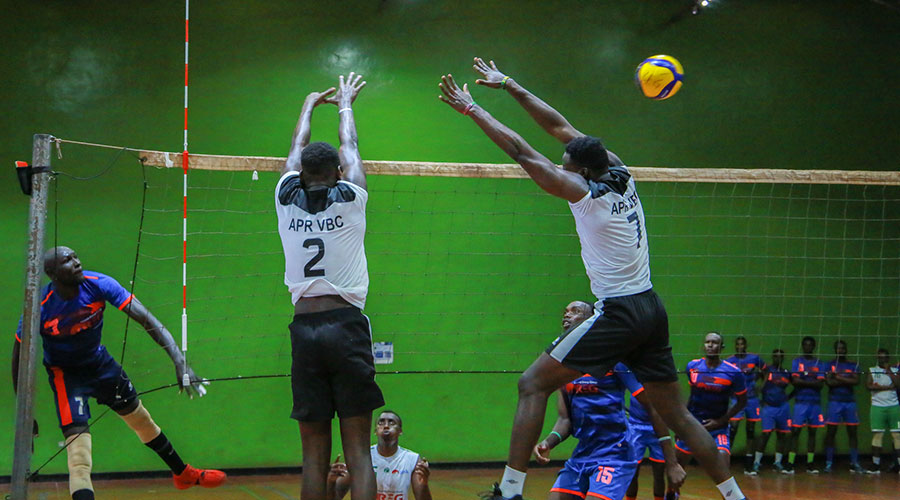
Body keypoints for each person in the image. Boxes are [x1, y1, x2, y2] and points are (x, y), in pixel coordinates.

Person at [438, 58, 748, 500]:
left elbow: (523, 152)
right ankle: (737, 497)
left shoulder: (584, 196)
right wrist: (509, 83)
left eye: (566, 165)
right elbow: (561, 127)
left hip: (619, 311)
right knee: (679, 416)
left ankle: (509, 490)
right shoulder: (619, 171)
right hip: (650, 307)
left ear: (580, 171)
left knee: (532, 384)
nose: (562, 166)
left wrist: (473, 108)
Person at [11, 246, 224, 500]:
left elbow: (148, 320)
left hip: (101, 365)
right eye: (68, 260)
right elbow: (18, 359)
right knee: (79, 458)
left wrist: (180, 361)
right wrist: (25, 412)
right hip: (66, 377)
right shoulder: (39, 308)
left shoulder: (99, 284)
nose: (77, 262)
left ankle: (183, 474)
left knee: (142, 421)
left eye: (76, 256)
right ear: (52, 273)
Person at [275, 73, 384, 500]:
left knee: (314, 454)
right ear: (337, 173)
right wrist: (345, 104)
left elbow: (294, 151)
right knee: (358, 450)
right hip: (347, 328)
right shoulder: (352, 195)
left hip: (304, 331)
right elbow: (351, 147)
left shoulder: (285, 194)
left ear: (301, 174)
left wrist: (307, 105)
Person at [532, 301, 684, 500]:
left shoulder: (614, 361)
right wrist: (548, 443)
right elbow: (565, 420)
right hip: (583, 453)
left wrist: (671, 463)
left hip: (615, 453)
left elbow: (653, 408)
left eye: (575, 311)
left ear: (591, 321)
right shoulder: (562, 367)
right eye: (565, 311)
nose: (566, 316)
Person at [675, 333, 748, 470]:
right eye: (707, 342)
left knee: (723, 464)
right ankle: (672, 492)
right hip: (693, 424)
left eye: (714, 342)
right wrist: (682, 425)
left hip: (717, 427)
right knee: (677, 466)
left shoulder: (733, 372)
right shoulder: (693, 366)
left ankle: (727, 491)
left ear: (721, 348)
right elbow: (692, 396)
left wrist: (721, 421)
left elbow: (742, 401)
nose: (710, 345)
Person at [327, 410, 432, 500]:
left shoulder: (412, 459)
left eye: (391, 423)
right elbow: (336, 496)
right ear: (375, 431)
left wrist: (424, 485)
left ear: (400, 431)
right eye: (381, 422)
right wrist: (330, 482)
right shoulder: (362, 457)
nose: (386, 426)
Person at [725, 336, 765, 475]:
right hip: (736, 399)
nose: (740, 346)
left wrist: (761, 386)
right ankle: (726, 460)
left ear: (745, 345)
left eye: (742, 344)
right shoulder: (730, 361)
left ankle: (749, 464)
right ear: (735, 346)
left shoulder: (754, 358)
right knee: (733, 429)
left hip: (752, 399)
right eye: (738, 344)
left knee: (750, 430)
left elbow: (766, 371)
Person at [823, 340, 863, 473]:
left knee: (852, 432)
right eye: (838, 348)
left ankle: (855, 462)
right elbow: (829, 383)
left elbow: (856, 381)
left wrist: (838, 377)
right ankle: (829, 463)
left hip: (849, 402)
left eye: (843, 348)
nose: (841, 350)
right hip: (834, 401)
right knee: (831, 432)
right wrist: (846, 379)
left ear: (846, 349)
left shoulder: (853, 365)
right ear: (835, 350)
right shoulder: (829, 364)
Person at [750, 349, 793, 474]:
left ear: (783, 358)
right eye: (775, 356)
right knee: (766, 434)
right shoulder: (766, 370)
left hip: (782, 407)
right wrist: (759, 399)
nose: (778, 358)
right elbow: (753, 383)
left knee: (781, 435)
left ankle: (777, 462)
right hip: (768, 407)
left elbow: (796, 386)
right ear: (772, 357)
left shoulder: (786, 372)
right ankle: (757, 462)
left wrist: (788, 397)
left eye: (780, 356)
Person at [788, 336, 825, 474]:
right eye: (805, 345)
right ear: (802, 346)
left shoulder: (819, 363)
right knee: (795, 432)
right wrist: (812, 382)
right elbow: (795, 381)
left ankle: (810, 463)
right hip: (800, 402)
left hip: (814, 403)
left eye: (810, 345)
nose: (808, 347)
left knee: (812, 432)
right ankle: (790, 463)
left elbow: (820, 385)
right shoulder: (797, 362)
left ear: (813, 346)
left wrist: (803, 380)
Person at [865, 348, 900, 474]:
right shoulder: (872, 370)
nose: (882, 360)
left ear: (888, 358)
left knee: (897, 435)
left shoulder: (895, 370)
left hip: (894, 407)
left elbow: (898, 384)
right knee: (877, 435)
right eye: (880, 357)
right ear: (877, 358)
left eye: (884, 358)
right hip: (877, 407)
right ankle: (876, 465)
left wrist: (889, 371)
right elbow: (869, 386)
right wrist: (887, 387)